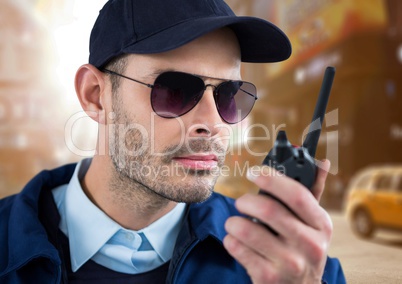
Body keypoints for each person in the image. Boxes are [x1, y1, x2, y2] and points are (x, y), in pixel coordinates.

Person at [0, 0, 346, 283]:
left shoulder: (299, 269)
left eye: (229, 94)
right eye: (175, 91)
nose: (212, 123)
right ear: (95, 96)